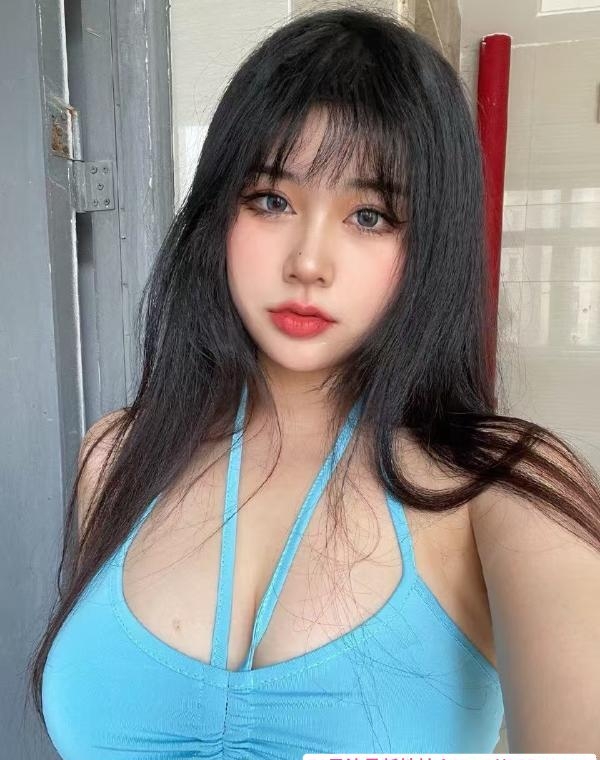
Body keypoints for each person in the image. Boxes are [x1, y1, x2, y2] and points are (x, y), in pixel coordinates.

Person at [28, 6, 600, 757]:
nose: (308, 262)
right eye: (272, 201)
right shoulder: (115, 457)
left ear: (432, 243)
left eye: (371, 216)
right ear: (217, 214)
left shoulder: (501, 487)